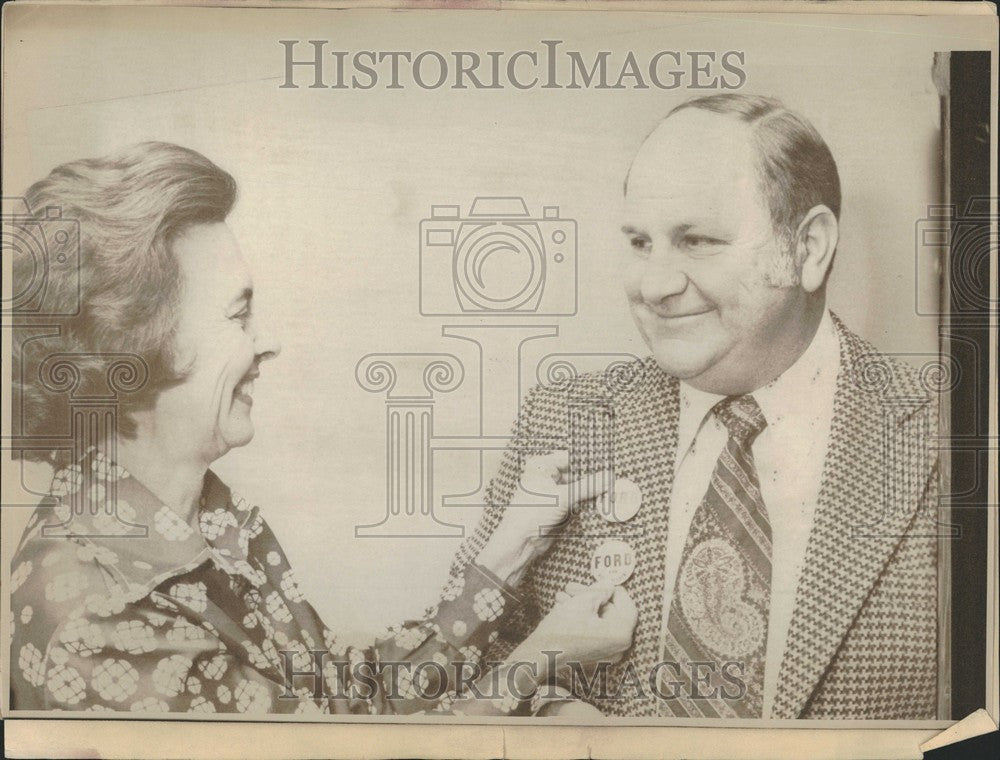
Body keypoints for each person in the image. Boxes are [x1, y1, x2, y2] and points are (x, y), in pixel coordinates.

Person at [7, 142, 639, 715]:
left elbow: (346, 703)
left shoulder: (208, 520)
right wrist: (541, 658)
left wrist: (514, 541)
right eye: (238, 315)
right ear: (135, 350)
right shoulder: (95, 612)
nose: (268, 342)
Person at [448, 94, 940, 719]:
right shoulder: (566, 420)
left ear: (808, 248)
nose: (653, 286)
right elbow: (442, 686)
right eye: (639, 241)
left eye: (698, 240)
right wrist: (545, 716)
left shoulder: (944, 441)